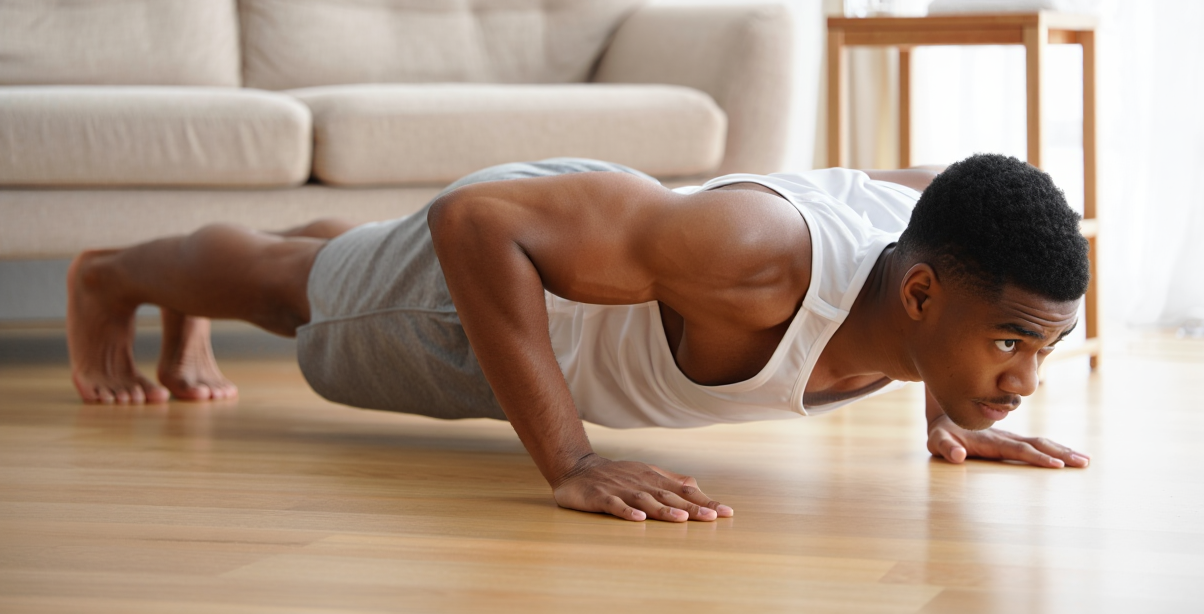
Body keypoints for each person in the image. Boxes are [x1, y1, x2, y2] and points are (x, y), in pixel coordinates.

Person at [66, 153, 1092, 523]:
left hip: (589, 230)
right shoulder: (763, 262)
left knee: (332, 261)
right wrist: (572, 457)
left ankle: (206, 282)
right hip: (493, 287)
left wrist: (956, 398)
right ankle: (108, 277)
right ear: (918, 295)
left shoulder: (929, 255)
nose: (1027, 376)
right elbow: (476, 226)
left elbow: (939, 199)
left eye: (1041, 350)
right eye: (1014, 343)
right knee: (299, 292)